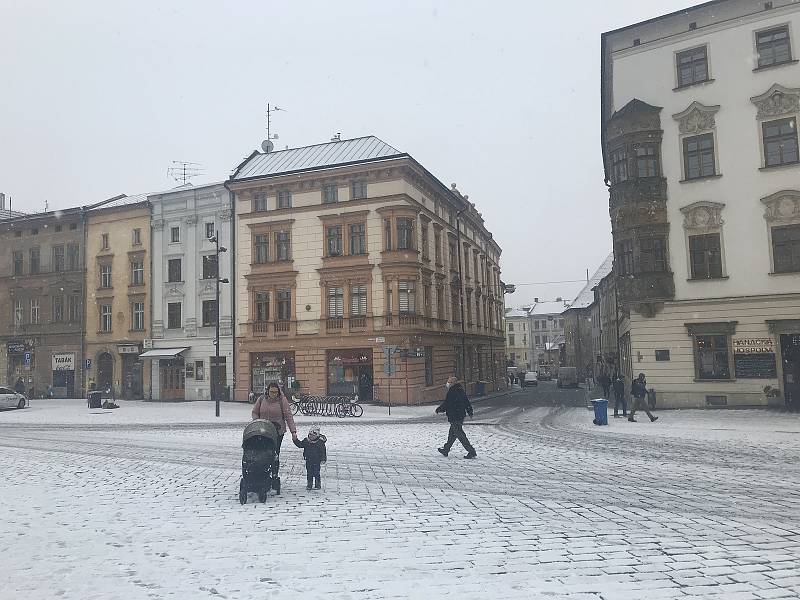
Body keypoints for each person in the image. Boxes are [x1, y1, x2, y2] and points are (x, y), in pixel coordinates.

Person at [251, 382, 298, 484]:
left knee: (274, 453)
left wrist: (293, 431)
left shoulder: (282, 401)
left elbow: (288, 416)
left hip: (277, 432)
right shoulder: (261, 399)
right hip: (263, 430)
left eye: (276, 392)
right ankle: (261, 472)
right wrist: (256, 421)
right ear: (268, 391)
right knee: (261, 452)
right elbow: (255, 412)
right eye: (272, 392)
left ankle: (274, 474)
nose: (274, 394)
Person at [435, 376, 477, 459]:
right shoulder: (460, 390)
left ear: (452, 383)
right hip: (460, 415)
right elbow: (466, 401)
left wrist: (439, 409)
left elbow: (447, 403)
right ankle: (446, 449)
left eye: (449, 382)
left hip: (455, 416)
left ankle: (471, 451)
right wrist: (469, 411)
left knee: (460, 435)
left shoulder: (452, 391)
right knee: (452, 434)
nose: (447, 383)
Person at [293, 425, 327, 490]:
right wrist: (295, 440)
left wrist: (323, 459)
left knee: (316, 473)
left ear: (317, 436)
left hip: (317, 460)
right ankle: (309, 484)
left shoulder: (320, 442)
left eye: (313, 435)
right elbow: (300, 445)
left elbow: (323, 451)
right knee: (309, 472)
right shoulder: (306, 441)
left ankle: (317, 484)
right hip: (308, 459)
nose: (311, 436)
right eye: (310, 435)